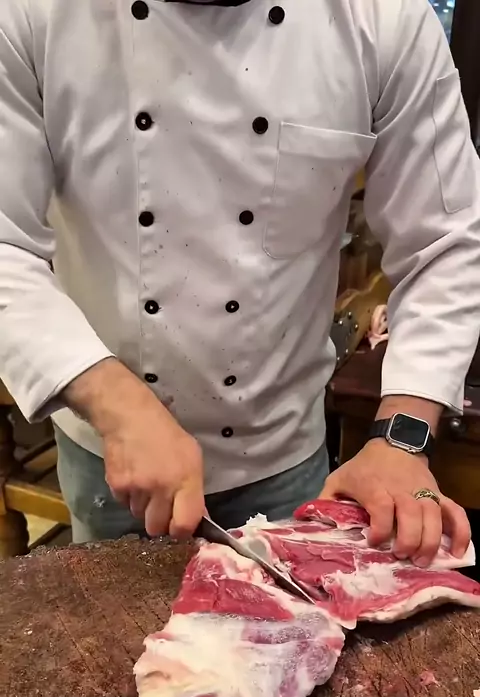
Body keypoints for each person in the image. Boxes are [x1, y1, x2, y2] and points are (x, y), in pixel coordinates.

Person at [0, 0, 479, 568]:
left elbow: (446, 243)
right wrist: (118, 404)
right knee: (110, 625)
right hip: (110, 457)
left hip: (284, 455)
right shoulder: (34, 12)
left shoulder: (381, 15)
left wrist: (402, 437)